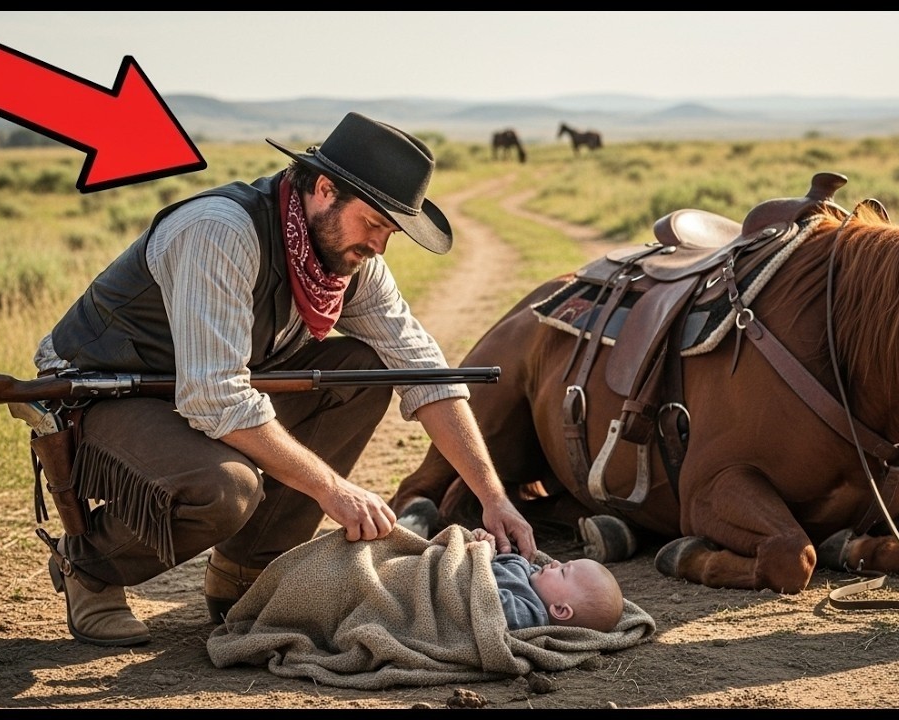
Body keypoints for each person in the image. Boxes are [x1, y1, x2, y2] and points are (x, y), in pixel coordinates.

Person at [33, 111, 538, 647]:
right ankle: (88, 567)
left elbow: (423, 368)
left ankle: (246, 575)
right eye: (373, 224)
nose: (378, 247)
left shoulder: (345, 261)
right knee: (224, 489)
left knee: (363, 370)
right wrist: (332, 489)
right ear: (324, 190)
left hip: (203, 389)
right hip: (104, 391)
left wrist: (492, 496)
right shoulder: (220, 232)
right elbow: (217, 397)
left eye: (389, 233)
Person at [469, 529, 624, 632]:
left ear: (559, 610)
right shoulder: (533, 577)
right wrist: (490, 547)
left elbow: (487, 600)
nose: (556, 562)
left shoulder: (528, 613)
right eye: (563, 563)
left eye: (563, 571)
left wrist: (482, 557)